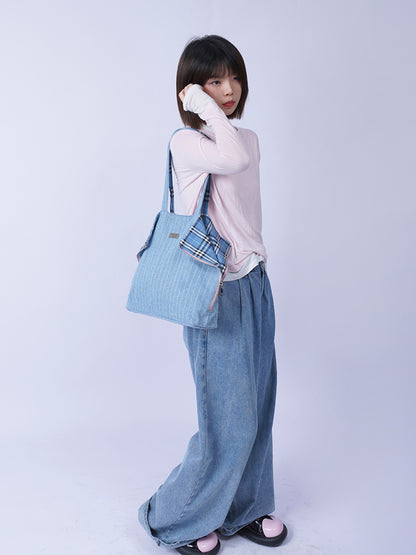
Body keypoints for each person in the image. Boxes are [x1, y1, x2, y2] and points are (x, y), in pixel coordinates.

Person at [138, 35, 288, 554]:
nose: (228, 90)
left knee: (258, 406)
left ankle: (244, 509)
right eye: (214, 81)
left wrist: (257, 262)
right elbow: (231, 158)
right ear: (192, 91)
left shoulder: (247, 139)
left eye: (234, 78)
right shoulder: (187, 144)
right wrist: (199, 107)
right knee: (227, 417)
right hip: (213, 290)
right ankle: (174, 518)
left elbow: (240, 164)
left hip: (254, 283)